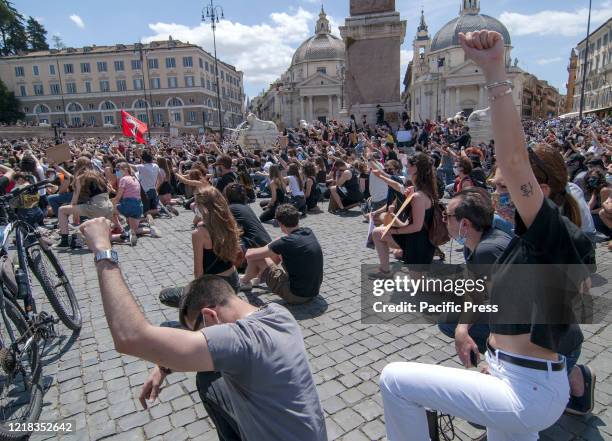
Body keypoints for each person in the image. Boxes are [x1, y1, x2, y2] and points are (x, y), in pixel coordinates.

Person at [380, 30, 596, 440]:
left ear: (540, 192)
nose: (498, 196)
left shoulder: (553, 235)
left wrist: (494, 70)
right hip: (521, 377)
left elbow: (514, 161)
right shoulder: (546, 241)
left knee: (394, 381)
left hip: (526, 388)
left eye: (502, 190)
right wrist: (477, 340)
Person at [77, 219, 328, 441]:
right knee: (209, 376)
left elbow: (130, 337)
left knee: (206, 377)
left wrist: (103, 252)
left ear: (209, 315)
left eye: (198, 331)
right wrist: (163, 366)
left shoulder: (237, 342)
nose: (199, 337)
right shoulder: (277, 314)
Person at [159, 186, 242, 308]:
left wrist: (196, 295)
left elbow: (198, 272)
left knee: (165, 295)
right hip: (233, 282)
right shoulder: (228, 222)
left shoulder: (199, 233)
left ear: (202, 207)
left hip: (215, 288)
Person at [240, 204, 323, 305]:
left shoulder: (286, 242)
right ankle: (259, 278)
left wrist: (264, 249)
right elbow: (281, 243)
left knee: (257, 257)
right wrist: (273, 246)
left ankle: (244, 282)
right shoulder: (308, 232)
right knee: (277, 248)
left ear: (280, 223)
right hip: (313, 291)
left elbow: (249, 255)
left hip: (296, 296)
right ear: (297, 218)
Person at [369, 153, 436, 278]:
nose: (405, 167)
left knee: (420, 284)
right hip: (418, 238)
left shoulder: (418, 196)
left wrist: (396, 231)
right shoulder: (421, 189)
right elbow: (396, 185)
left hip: (418, 243)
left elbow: (416, 226)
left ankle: (458, 288)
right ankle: (385, 271)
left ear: (415, 168)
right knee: (377, 232)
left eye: (408, 165)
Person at [56, 169, 113, 249]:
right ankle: (123, 236)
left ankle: (64, 242)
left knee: (62, 210)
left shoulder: (80, 179)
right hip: (109, 207)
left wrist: (72, 212)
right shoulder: (99, 178)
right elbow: (109, 191)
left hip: (97, 207)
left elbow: (74, 202)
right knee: (105, 237)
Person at [112, 161, 144, 246]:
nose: (118, 171)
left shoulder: (124, 179)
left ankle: (121, 230)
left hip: (129, 204)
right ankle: (149, 229)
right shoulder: (135, 178)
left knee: (110, 210)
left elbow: (118, 197)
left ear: (125, 169)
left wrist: (111, 203)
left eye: (119, 169)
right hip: (138, 206)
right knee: (134, 229)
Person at [136, 150, 162, 217]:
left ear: (143, 160)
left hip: (145, 192)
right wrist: (156, 188)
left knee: (145, 213)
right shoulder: (156, 165)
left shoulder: (141, 167)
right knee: (152, 208)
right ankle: (160, 210)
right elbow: (160, 179)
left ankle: (159, 210)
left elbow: (127, 165)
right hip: (153, 190)